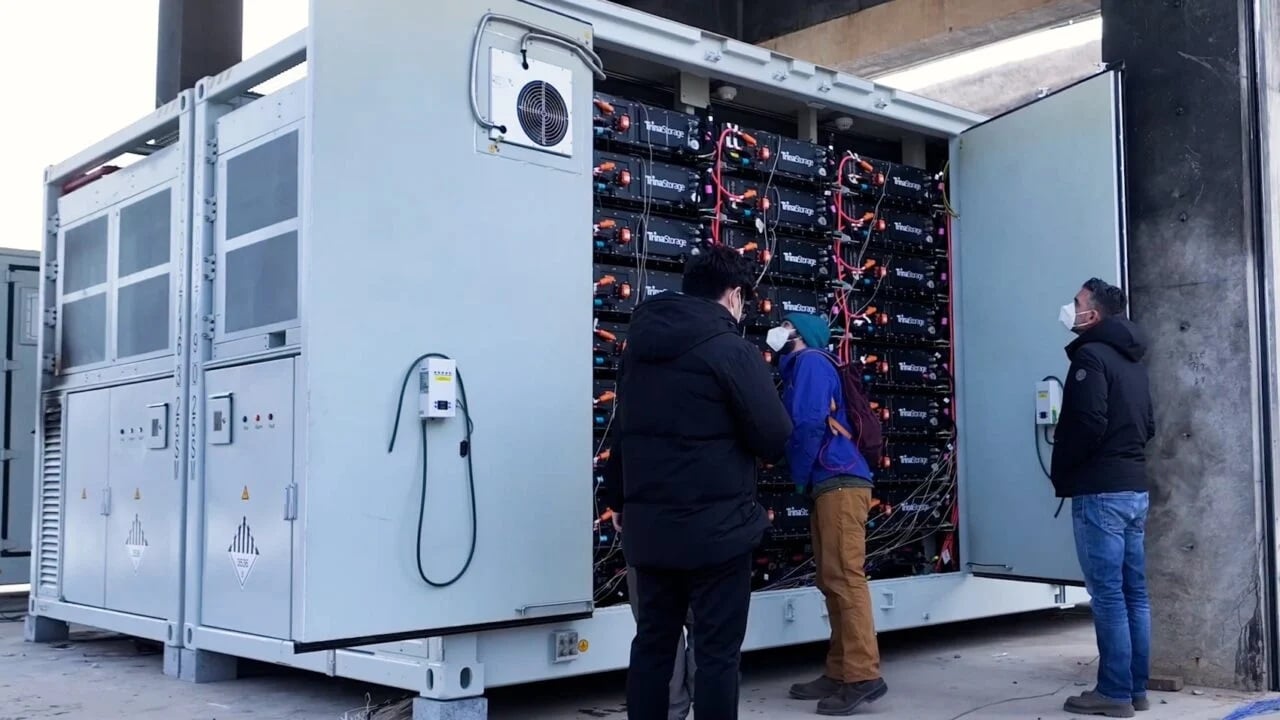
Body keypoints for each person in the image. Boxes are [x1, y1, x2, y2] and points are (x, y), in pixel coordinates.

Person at [599, 245, 792, 720]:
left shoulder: (638, 347)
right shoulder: (731, 350)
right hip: (717, 534)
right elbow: (774, 437)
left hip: (649, 533)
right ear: (732, 297)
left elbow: (622, 429)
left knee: (652, 648)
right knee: (717, 655)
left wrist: (618, 497)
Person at [766, 313, 889, 716]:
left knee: (845, 577)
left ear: (800, 336)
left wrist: (797, 475)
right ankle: (839, 670)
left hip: (839, 480)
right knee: (830, 577)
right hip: (832, 482)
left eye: (785, 324)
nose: (777, 330)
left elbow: (806, 425)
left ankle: (862, 675)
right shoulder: (803, 366)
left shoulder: (812, 362)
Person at [1051, 278, 1155, 719]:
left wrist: (1067, 467)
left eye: (1076, 303)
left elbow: (1087, 423)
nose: (1069, 309)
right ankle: (1135, 689)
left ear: (1092, 314)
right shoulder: (1132, 362)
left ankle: (1112, 692)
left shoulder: (1090, 357)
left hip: (1101, 491)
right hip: (1134, 487)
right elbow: (1149, 425)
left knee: (1109, 595)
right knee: (1135, 594)